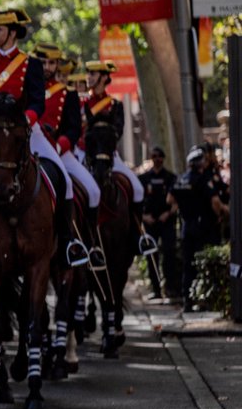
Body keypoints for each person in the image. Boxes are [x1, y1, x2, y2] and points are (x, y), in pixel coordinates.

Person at [0, 8, 88, 269]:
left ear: (12, 33)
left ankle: (68, 243)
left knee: (65, 181)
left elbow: (36, 101)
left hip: (26, 133)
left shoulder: (30, 65)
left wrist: (26, 123)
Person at [33, 42, 104, 267]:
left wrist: (59, 145)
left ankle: (82, 243)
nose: (46, 66)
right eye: (42, 62)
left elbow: (73, 129)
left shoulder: (68, 94)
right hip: (25, 150)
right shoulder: (24, 88)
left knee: (91, 190)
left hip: (57, 152)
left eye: (51, 62)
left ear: (57, 65)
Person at [83, 60, 158, 256]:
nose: (88, 77)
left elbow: (118, 131)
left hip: (109, 156)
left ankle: (138, 237)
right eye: (88, 73)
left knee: (138, 189)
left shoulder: (114, 105)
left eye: (93, 74)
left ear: (104, 77)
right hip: (83, 155)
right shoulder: (81, 104)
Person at [171, 145, 227, 303]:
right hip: (205, 227)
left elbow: (169, 200)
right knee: (205, 263)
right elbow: (215, 201)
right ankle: (207, 301)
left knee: (188, 265)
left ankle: (188, 300)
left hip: (187, 226)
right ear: (200, 163)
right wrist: (221, 214)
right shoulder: (203, 179)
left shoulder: (181, 178)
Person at [138, 146, 179, 299]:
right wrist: (144, 217)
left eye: (160, 156)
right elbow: (137, 203)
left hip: (166, 221)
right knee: (151, 256)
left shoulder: (171, 178)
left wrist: (167, 214)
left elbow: (176, 202)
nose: (157, 159)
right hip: (149, 222)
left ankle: (170, 288)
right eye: (154, 156)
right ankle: (156, 290)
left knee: (169, 254)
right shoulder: (143, 179)